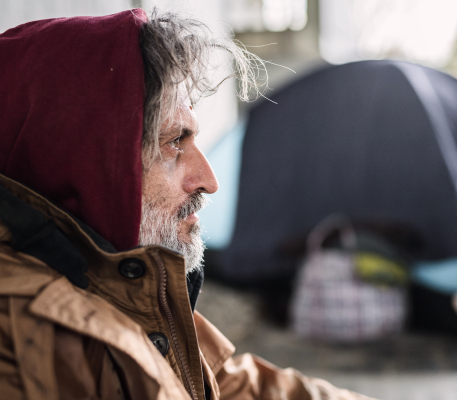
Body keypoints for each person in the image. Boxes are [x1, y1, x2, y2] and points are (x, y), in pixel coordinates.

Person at [0, 8, 374, 400]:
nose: (209, 181)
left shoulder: (118, 285)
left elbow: (235, 386)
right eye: (174, 142)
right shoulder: (27, 331)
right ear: (84, 161)